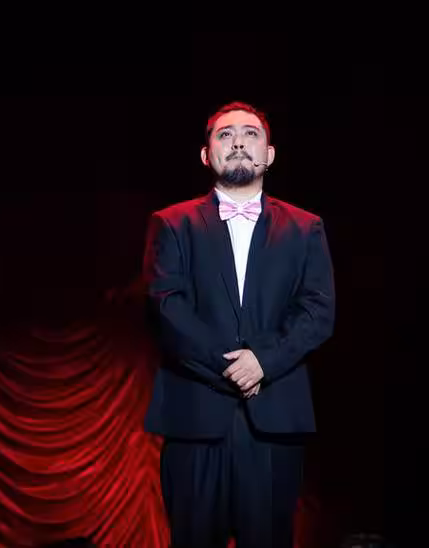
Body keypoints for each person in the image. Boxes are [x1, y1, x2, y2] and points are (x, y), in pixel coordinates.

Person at [142, 101, 336, 547]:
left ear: (270, 154)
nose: (238, 143)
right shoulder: (171, 223)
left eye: (251, 134)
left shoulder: (306, 227)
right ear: (206, 154)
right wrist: (234, 368)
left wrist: (263, 362)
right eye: (225, 134)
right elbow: (167, 308)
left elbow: (317, 311)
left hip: (275, 419)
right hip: (195, 419)